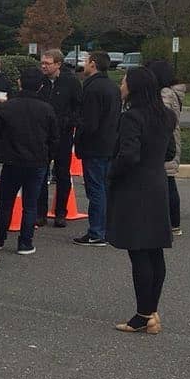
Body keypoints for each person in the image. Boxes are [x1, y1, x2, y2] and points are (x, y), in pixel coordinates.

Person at [108, 67, 176, 334]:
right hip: (157, 184)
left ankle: (142, 314)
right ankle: (152, 311)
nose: (121, 85)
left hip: (134, 187)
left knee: (138, 251)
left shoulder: (131, 117)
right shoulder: (166, 115)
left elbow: (129, 155)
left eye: (124, 81)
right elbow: (169, 151)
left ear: (134, 87)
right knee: (154, 250)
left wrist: (112, 172)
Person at [0, 65, 58, 256]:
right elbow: (54, 138)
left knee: (5, 202)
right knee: (30, 205)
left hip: (12, 161)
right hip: (37, 161)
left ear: (19, 83)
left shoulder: (7, 107)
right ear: (40, 86)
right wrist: (48, 157)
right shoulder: (47, 109)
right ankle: (25, 242)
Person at [73, 50, 121, 246]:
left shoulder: (92, 88)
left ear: (93, 64)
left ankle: (96, 231)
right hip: (110, 143)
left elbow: (90, 122)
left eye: (86, 61)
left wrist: (78, 135)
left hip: (94, 146)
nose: (84, 64)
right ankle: (108, 228)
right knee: (106, 188)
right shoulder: (113, 87)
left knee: (95, 190)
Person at [37, 48, 83, 227]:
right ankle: (40, 213)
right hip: (42, 135)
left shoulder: (71, 82)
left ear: (58, 64)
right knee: (41, 173)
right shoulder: (40, 82)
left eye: (47, 63)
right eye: (42, 63)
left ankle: (61, 212)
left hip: (63, 134)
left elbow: (78, 107)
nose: (44, 66)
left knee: (62, 173)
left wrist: (68, 122)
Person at [146, 59, 186, 235]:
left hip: (166, 143)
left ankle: (173, 222)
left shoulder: (165, 94)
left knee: (168, 182)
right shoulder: (170, 92)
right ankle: (171, 221)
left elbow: (160, 116)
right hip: (170, 141)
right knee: (168, 181)